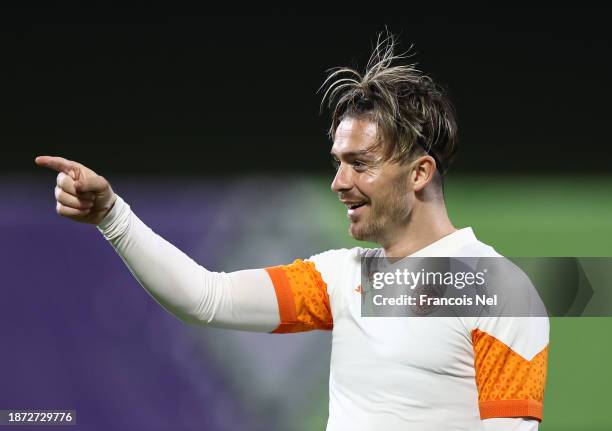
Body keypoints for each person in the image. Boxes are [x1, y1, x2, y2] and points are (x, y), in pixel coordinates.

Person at [36, 33, 548, 431]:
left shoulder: (497, 289)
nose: (339, 182)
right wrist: (112, 215)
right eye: (337, 163)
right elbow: (205, 297)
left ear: (419, 173)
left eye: (360, 164)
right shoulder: (340, 278)